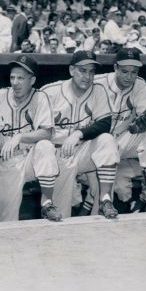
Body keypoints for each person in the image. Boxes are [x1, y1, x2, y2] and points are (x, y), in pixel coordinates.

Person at [43, 51, 120, 219]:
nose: (88, 76)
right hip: (56, 155)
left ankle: (105, 201)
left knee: (107, 141)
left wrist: (79, 133)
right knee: (61, 214)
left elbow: (105, 123)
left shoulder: (98, 90)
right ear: (71, 70)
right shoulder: (51, 92)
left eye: (91, 71)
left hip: (82, 151)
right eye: (82, 71)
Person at [0, 55, 62, 222]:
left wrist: (19, 137)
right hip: (6, 162)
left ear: (32, 80)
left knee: (45, 146)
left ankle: (47, 202)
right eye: (12, 77)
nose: (15, 82)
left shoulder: (40, 97)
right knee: (6, 219)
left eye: (21, 78)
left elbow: (47, 133)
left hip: (30, 159)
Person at [94, 48, 146, 215]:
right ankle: (103, 202)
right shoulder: (98, 83)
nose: (129, 76)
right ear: (115, 68)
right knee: (97, 193)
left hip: (121, 141)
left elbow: (145, 115)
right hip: (96, 145)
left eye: (134, 72)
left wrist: (142, 123)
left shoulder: (139, 84)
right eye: (125, 71)